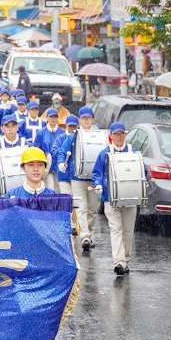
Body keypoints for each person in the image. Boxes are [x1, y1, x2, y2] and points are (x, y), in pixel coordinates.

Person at [6, 147, 57, 340]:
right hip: (19, 263)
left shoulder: (54, 198)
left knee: (45, 313)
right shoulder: (12, 195)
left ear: (45, 168)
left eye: (40, 165)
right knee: (22, 310)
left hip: (46, 263)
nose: (36, 169)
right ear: (23, 168)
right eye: (31, 165)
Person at [93, 122, 146, 276]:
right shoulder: (104, 154)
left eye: (121, 134)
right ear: (110, 136)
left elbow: (143, 171)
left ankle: (126, 260)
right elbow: (97, 173)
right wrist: (98, 184)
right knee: (116, 229)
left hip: (130, 198)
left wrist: (145, 180)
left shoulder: (133, 152)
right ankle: (119, 263)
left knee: (128, 232)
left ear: (125, 135)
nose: (119, 136)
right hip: (110, 199)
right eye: (116, 134)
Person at [56, 106, 101, 252]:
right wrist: (61, 163)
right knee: (80, 207)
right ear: (80, 119)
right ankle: (85, 237)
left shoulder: (99, 136)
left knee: (92, 209)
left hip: (93, 179)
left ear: (92, 119)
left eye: (89, 118)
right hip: (77, 177)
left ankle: (90, 233)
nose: (86, 120)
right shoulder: (73, 136)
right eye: (84, 118)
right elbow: (62, 151)